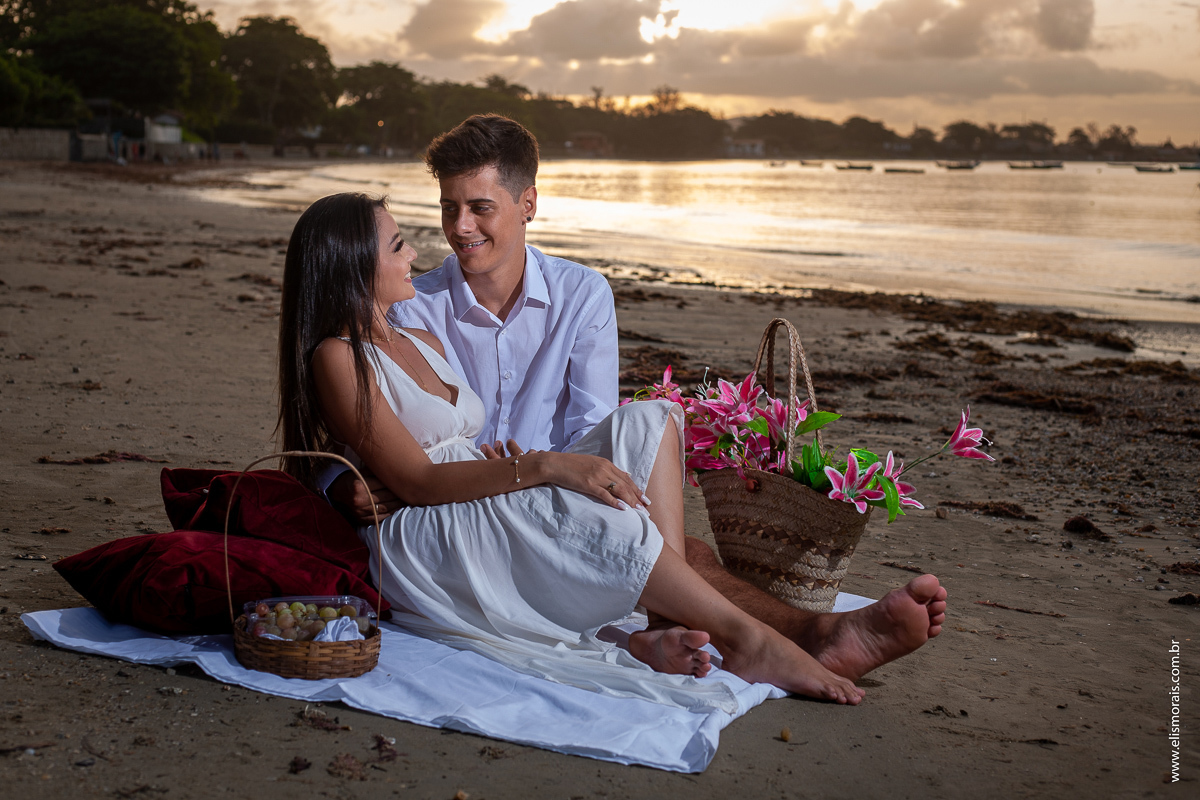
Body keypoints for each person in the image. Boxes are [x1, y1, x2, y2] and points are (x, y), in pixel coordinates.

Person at [321, 114, 948, 687]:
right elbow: (367, 424)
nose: (459, 228)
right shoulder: (412, 306)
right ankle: (804, 634)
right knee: (683, 555)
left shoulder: (581, 293)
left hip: (558, 480)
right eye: (448, 208)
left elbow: (598, 433)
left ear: (528, 204)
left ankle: (678, 622)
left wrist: (556, 475)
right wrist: (349, 483)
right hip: (473, 503)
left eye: (480, 207)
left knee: (654, 423)